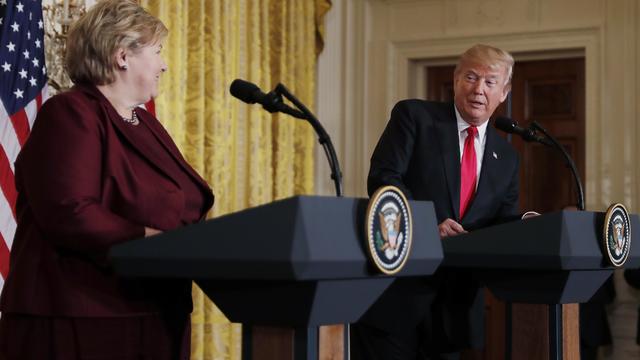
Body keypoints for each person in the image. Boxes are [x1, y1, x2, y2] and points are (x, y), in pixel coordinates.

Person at [0, 1, 214, 359]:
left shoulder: (145, 124)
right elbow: (70, 211)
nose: (164, 64)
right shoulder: (70, 113)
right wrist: (150, 239)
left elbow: (185, 201)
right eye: (157, 52)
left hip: (155, 309)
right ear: (122, 56)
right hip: (83, 315)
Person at [352, 44, 519, 359]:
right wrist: (427, 227)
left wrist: (528, 226)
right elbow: (384, 180)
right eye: (471, 77)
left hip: (454, 310)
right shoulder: (414, 117)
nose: (478, 89)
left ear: (504, 92)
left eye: (490, 81)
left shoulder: (507, 157)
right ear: (456, 79)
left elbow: (502, 221)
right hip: (397, 294)